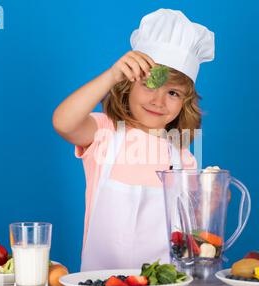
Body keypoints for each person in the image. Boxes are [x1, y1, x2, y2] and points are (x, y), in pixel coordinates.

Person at [52, 8, 215, 271]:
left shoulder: (183, 158)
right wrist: (111, 74)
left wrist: (212, 201)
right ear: (128, 84)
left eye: (172, 92)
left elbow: (191, 234)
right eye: (149, 84)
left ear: (185, 103)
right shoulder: (104, 132)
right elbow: (63, 122)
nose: (158, 100)